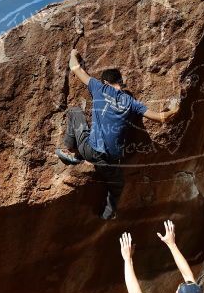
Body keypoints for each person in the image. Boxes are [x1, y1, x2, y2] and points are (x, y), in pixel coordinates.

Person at [58, 48, 179, 219]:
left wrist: (72, 53)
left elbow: (75, 68)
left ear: (106, 82)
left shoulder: (99, 88)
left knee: (75, 111)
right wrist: (176, 109)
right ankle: (107, 215)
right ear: (120, 83)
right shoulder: (131, 103)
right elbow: (160, 118)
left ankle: (71, 149)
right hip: (111, 160)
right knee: (117, 185)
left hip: (90, 150)